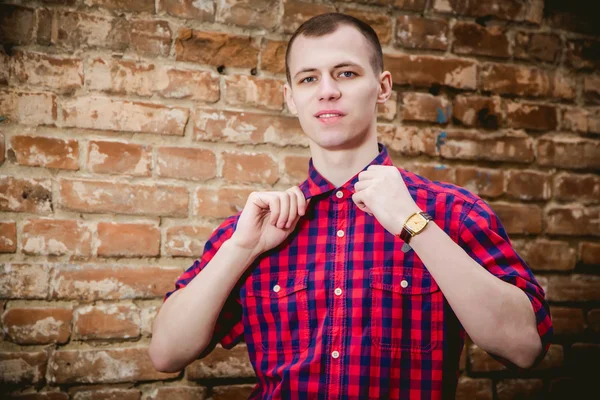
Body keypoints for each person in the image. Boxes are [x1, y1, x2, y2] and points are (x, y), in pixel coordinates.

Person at [149, 13, 553, 399]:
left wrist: (414, 224)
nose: (327, 90)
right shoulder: (256, 229)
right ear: (291, 98)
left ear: (382, 87)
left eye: (346, 73)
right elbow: (167, 354)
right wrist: (241, 250)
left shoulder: (452, 212)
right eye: (309, 78)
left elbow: (524, 348)